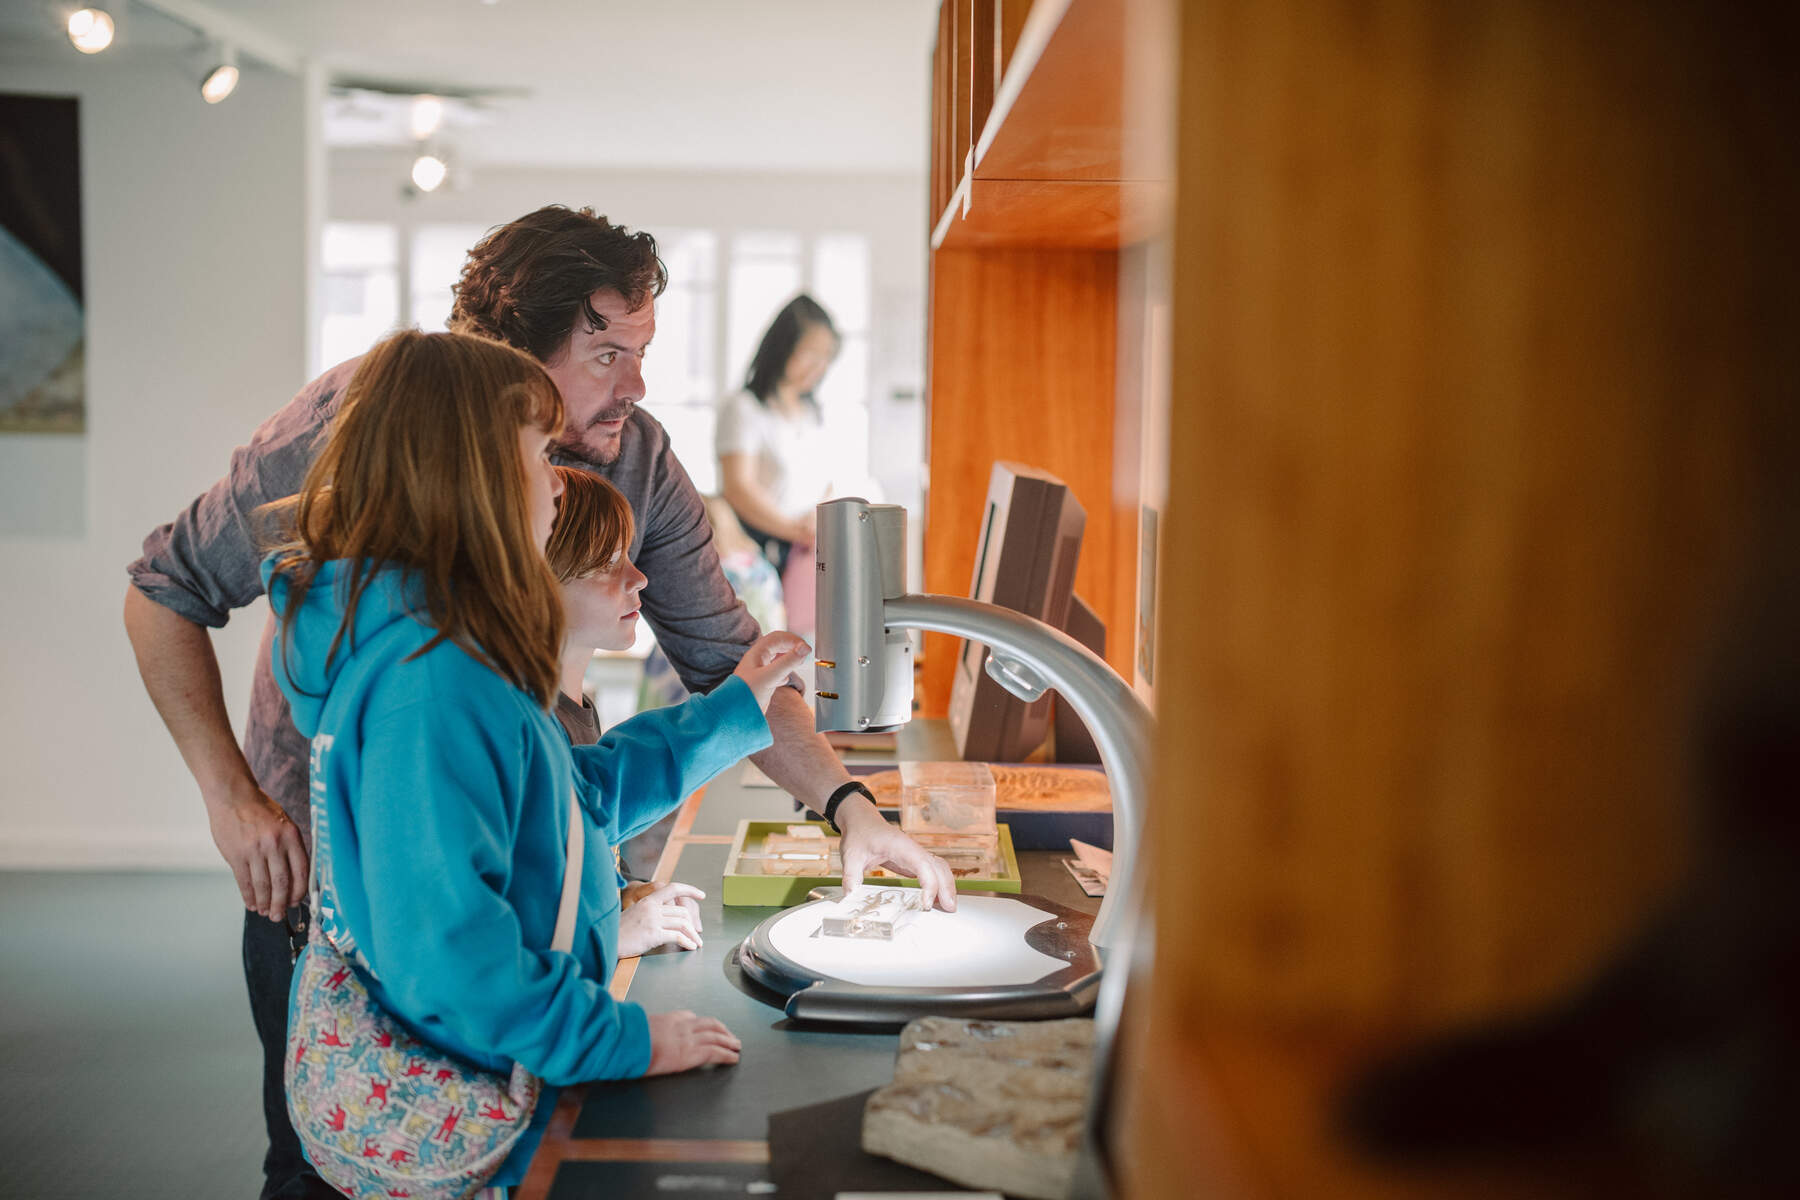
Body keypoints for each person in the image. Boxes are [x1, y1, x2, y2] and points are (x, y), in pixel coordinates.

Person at [122, 205, 953, 1200]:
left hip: (503, 933)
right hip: (341, 901)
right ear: (485, 430)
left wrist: (842, 800)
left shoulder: (511, 619)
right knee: (329, 1171)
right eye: (606, 355)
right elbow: (456, 959)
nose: (632, 390)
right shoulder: (421, 641)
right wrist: (232, 799)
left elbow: (595, 769)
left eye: (642, 353)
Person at [263, 329, 807, 1193]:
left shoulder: (454, 650)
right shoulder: (432, 683)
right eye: (537, 456)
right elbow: (454, 955)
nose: (558, 480)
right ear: (472, 478)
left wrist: (734, 710)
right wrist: (624, 1040)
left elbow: (565, 799)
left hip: (501, 1060)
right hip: (474, 1102)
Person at [543, 466, 707, 948]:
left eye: (629, 557)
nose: (639, 577)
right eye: (607, 563)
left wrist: (624, 894)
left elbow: (576, 869)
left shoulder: (576, 707)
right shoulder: (530, 726)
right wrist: (608, 937)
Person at [716, 293, 844, 577]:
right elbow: (738, 487)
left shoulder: (814, 414)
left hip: (808, 550)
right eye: (809, 353)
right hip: (761, 550)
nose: (818, 366)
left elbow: (827, 482)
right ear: (783, 346)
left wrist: (816, 524)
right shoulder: (744, 407)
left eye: (825, 357)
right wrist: (795, 531)